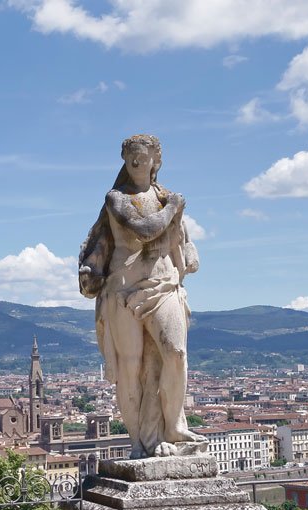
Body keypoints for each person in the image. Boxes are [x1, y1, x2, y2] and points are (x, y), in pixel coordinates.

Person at [79, 134, 205, 458]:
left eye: (143, 156)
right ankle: (139, 442)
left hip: (163, 283)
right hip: (123, 289)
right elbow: (144, 230)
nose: (136, 161)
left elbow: (188, 252)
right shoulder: (116, 198)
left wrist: (186, 249)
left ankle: (174, 428)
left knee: (175, 354)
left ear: (155, 161)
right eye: (131, 156)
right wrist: (174, 208)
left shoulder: (166, 198)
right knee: (130, 368)